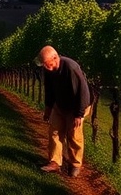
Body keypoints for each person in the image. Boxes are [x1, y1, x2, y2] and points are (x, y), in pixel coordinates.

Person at [36, 45, 91, 178]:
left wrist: (79, 114)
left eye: (46, 63)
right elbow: (49, 91)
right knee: (54, 130)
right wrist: (48, 109)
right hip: (60, 104)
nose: (44, 66)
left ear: (55, 58)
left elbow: (83, 92)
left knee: (74, 134)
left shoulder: (70, 67)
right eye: (43, 64)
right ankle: (55, 163)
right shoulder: (48, 71)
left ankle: (75, 164)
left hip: (77, 106)